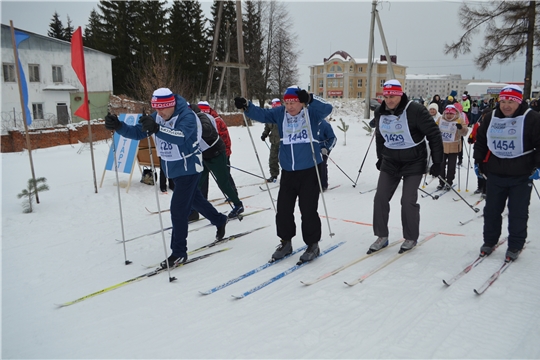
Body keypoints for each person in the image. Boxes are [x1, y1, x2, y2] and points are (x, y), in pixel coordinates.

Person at [104, 88, 228, 268]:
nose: (159, 113)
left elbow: (181, 137)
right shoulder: (158, 117)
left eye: (162, 109)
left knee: (178, 210)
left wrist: (157, 128)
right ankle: (219, 220)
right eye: (156, 108)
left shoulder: (187, 116)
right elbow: (139, 132)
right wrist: (118, 126)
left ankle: (178, 252)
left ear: (171, 105)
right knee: (195, 201)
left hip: (189, 168)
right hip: (173, 169)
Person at [234, 86, 332, 263]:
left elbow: (328, 108)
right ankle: (286, 242)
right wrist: (247, 106)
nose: (290, 107)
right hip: (288, 170)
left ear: (301, 102)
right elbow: (261, 114)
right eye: (287, 103)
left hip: (310, 169)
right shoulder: (280, 114)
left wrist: (310, 98)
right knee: (284, 209)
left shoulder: (311, 113)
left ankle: (312, 244)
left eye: (293, 102)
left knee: (308, 209)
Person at [368, 79, 443, 254]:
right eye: (386, 96)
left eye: (393, 96)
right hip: (391, 161)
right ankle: (381, 235)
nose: (389, 100)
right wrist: (380, 157)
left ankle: (410, 236)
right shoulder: (380, 112)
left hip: (414, 161)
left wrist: (438, 162)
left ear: (400, 94)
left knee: (407, 200)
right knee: (380, 197)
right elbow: (380, 136)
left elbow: (433, 134)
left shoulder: (415, 110)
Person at [473, 84, 540, 261]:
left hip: (521, 174)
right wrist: (478, 161)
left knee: (517, 211)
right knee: (492, 210)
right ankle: (489, 241)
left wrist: (537, 166)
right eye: (503, 101)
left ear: (519, 102)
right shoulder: (491, 118)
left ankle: (515, 245)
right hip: (496, 173)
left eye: (511, 101)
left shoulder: (532, 118)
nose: (506, 105)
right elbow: (481, 141)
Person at [190, 103, 244, 219]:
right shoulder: (187, 120)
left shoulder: (204, 118)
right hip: (203, 155)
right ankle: (193, 210)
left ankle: (238, 204)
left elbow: (208, 131)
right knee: (197, 182)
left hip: (216, 154)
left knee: (223, 182)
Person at [197, 101, 238, 198]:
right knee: (203, 178)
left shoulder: (216, 120)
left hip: (220, 152)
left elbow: (221, 139)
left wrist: (223, 154)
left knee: (224, 176)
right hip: (206, 154)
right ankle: (202, 197)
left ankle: (233, 194)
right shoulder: (200, 120)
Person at [435, 105, 469, 190]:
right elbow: (435, 128)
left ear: (454, 113)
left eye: (451, 113)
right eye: (447, 113)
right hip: (442, 146)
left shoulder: (459, 119)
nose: (449, 115)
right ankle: (441, 182)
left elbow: (464, 132)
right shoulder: (440, 119)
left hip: (454, 146)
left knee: (451, 166)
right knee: (441, 165)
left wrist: (461, 128)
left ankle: (449, 182)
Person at [467, 108, 489, 198]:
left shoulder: (493, 125)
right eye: (484, 116)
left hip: (488, 152)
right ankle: (480, 187)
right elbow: (473, 135)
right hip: (479, 150)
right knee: (478, 169)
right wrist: (471, 138)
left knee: (486, 171)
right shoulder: (478, 125)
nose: (485, 117)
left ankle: (485, 189)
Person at [261, 98, 282, 182]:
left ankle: (288, 176)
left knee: (284, 160)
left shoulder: (283, 115)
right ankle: (274, 175)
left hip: (283, 142)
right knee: (272, 159)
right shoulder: (270, 116)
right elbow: (267, 127)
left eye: (276, 107)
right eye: (274, 107)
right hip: (274, 141)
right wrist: (264, 134)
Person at [318, 117, 337, 191]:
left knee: (321, 165)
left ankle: (323, 185)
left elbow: (333, 138)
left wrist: (327, 148)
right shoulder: (308, 124)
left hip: (323, 148)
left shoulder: (324, 125)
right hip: (312, 148)